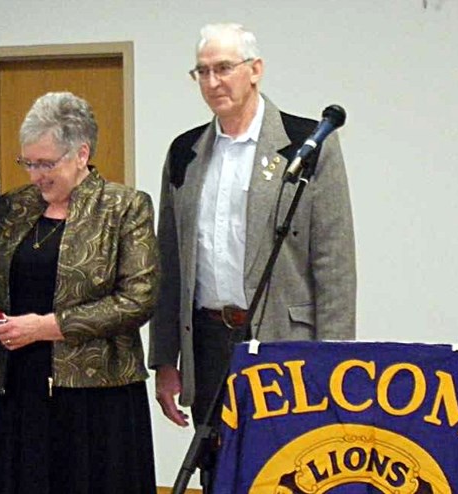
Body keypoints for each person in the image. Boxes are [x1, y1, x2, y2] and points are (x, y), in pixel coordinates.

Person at [149, 23, 356, 429]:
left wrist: (335, 359)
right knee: (217, 467)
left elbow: (334, 265)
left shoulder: (307, 145)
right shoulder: (184, 153)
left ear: (255, 69)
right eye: (202, 72)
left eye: (224, 68)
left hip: (287, 340)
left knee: (280, 468)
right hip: (207, 343)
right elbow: (169, 263)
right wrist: (165, 360)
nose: (212, 81)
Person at [0, 91, 158, 494]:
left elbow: (137, 300)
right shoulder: (12, 209)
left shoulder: (124, 207)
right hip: (20, 385)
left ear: (81, 153)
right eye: (28, 162)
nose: (36, 175)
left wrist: (46, 327)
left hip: (97, 392)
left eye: (47, 163)